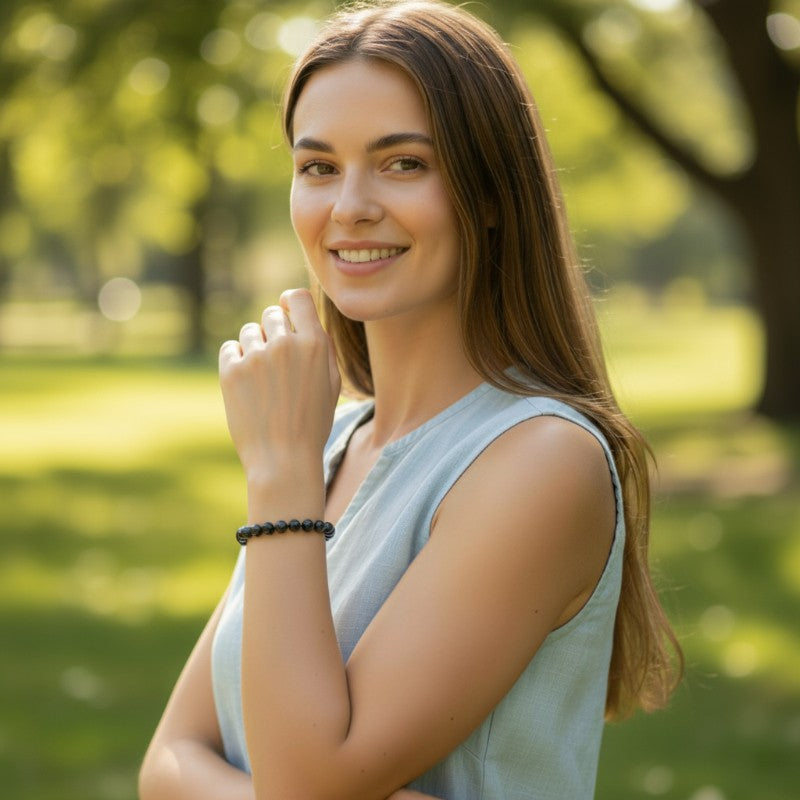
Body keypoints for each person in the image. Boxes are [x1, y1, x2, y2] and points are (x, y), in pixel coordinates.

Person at [139, 1, 682, 798]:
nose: (349, 206)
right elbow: (166, 764)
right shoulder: (335, 446)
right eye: (318, 167)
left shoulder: (541, 461)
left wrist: (280, 469)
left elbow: (301, 783)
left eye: (403, 164)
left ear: (490, 196)